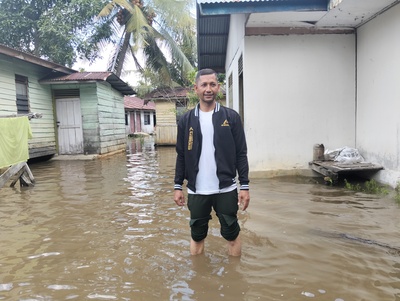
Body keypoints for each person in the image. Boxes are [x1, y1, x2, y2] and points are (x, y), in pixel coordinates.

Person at [173, 68, 250, 256]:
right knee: (197, 237)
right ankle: (199, 280)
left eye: (213, 84)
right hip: (197, 190)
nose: (209, 89)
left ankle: (234, 280)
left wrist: (245, 186)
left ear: (218, 87)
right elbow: (181, 154)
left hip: (226, 189)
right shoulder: (186, 120)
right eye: (204, 85)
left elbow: (241, 153)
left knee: (232, 235)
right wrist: (177, 186)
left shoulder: (230, 117)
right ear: (196, 88)